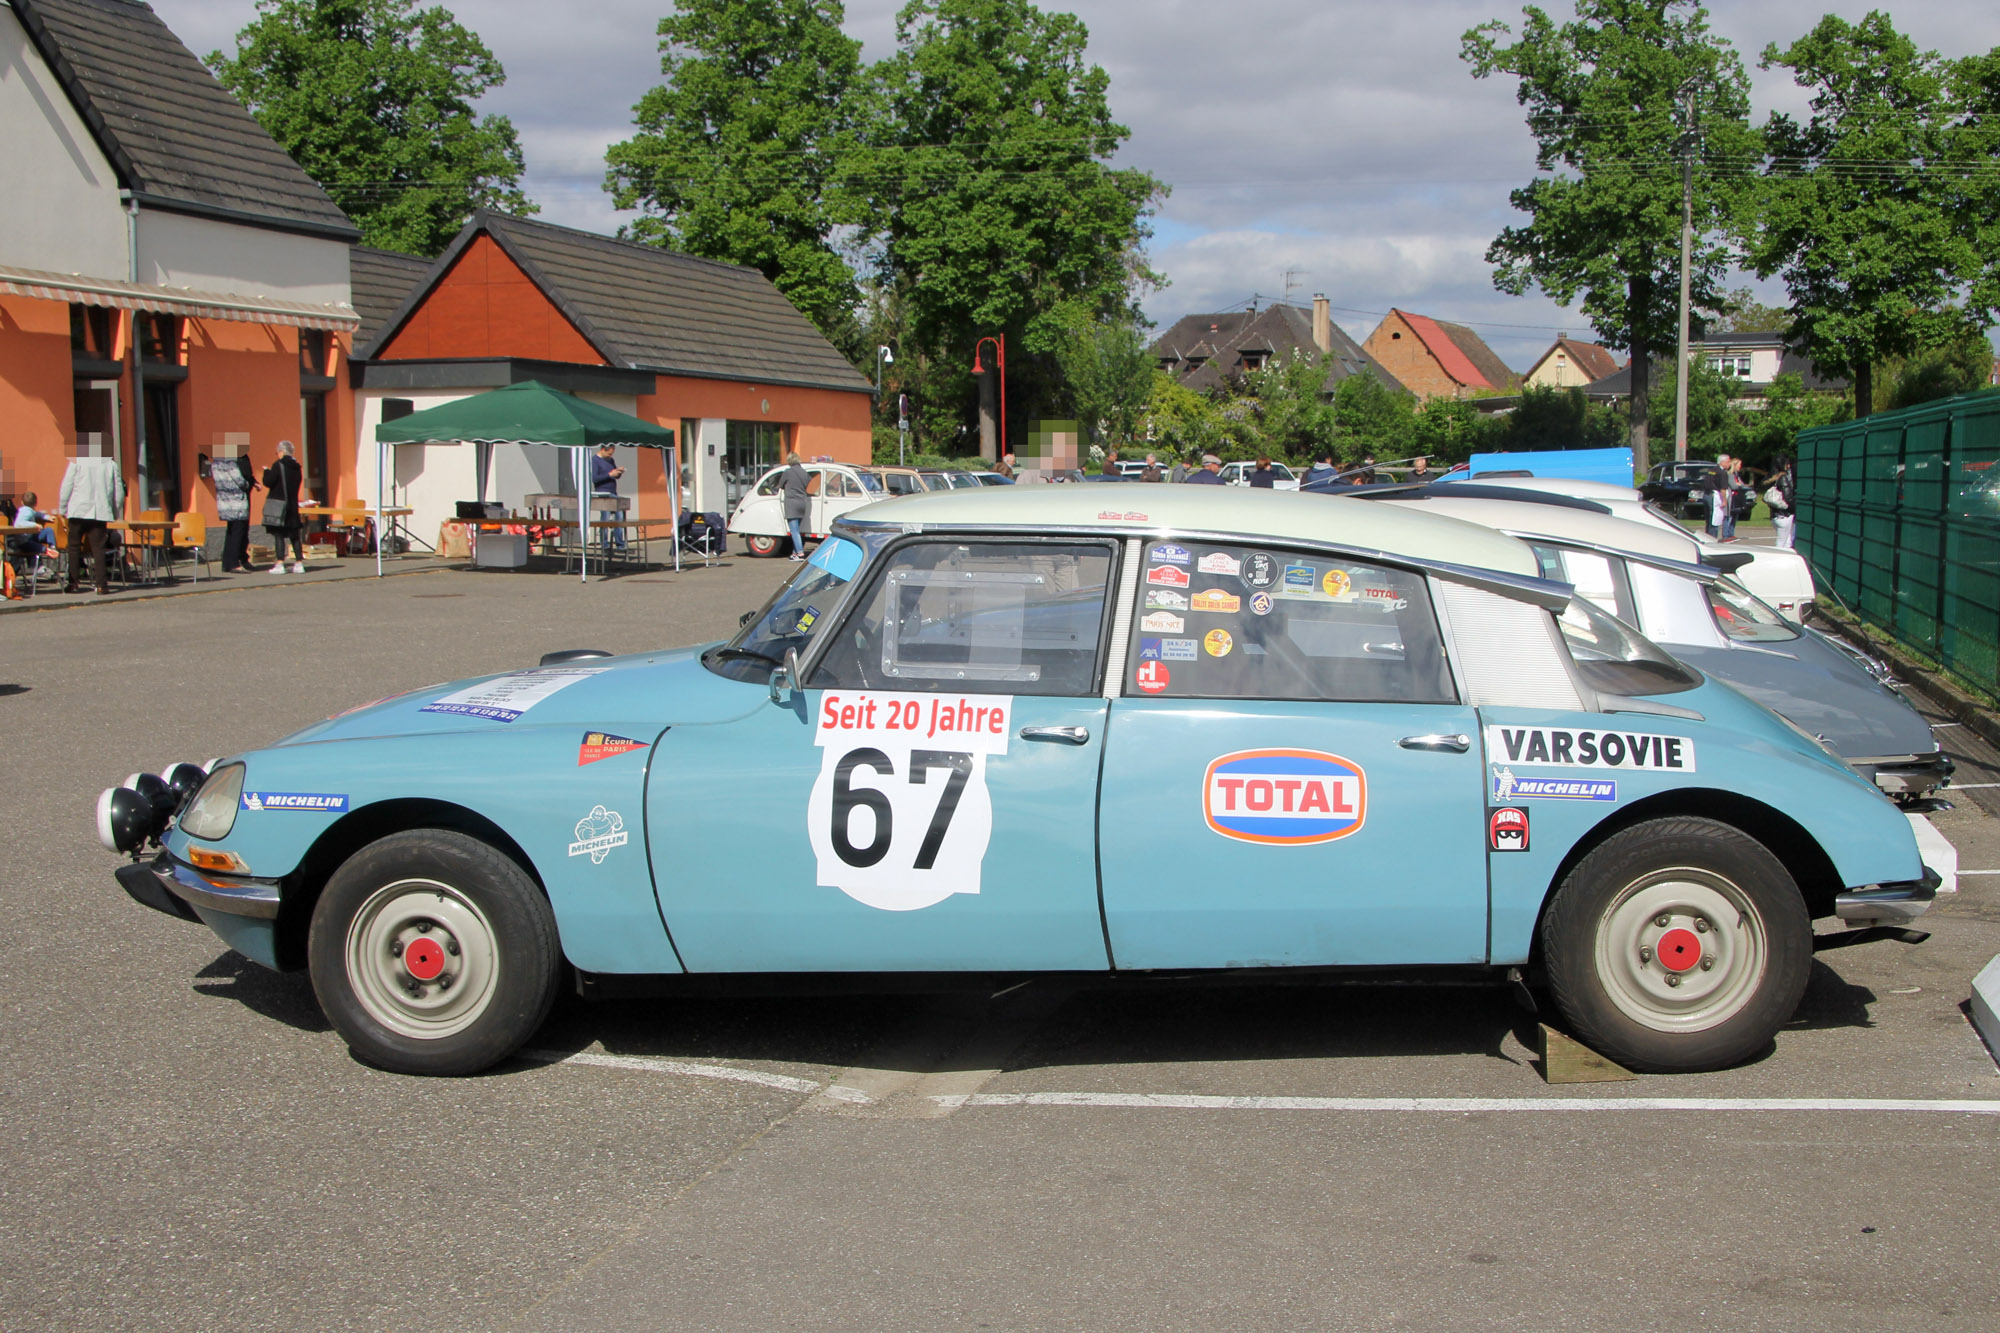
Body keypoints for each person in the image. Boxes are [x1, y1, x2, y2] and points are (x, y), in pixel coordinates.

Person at [58, 453, 125, 594]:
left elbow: (67, 485)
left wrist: (63, 508)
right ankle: (102, 585)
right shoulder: (110, 465)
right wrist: (114, 511)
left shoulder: (76, 462)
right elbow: (118, 491)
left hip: (78, 510)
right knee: (98, 549)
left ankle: (73, 583)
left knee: (74, 547)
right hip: (100, 512)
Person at [262, 440, 308, 573]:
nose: (277, 455)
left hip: (279, 506)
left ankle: (280, 563)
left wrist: (266, 472)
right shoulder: (297, 467)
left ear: (281, 452)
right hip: (292, 505)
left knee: (279, 535)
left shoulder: (278, 465)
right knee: (295, 535)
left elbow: (269, 482)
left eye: (277, 452)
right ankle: (299, 563)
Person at [212, 453, 257, 572]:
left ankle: (226, 563)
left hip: (225, 501)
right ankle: (233, 563)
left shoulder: (216, 462)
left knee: (231, 532)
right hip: (237, 501)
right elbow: (240, 481)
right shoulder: (230, 463)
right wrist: (249, 484)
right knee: (238, 531)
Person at [591, 443, 627, 557]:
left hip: (613, 492)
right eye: (608, 453)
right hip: (602, 493)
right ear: (602, 449)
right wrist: (609, 474)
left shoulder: (610, 460)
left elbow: (613, 474)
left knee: (619, 516)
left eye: (611, 453)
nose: (610, 455)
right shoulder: (595, 460)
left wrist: (618, 473)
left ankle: (619, 543)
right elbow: (595, 478)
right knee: (605, 518)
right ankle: (604, 544)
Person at [781, 451, 812, 560]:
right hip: (802, 503)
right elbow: (808, 481)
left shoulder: (788, 472)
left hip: (791, 503)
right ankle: (794, 553)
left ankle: (800, 553)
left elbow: (780, 485)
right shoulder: (804, 472)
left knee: (794, 531)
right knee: (797, 529)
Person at [1769, 456, 1798, 550]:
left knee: (1783, 541)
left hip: (1775, 514)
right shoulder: (1783, 478)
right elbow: (1788, 497)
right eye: (1787, 464)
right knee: (1784, 542)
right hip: (1784, 515)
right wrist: (1794, 508)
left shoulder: (1772, 477)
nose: (1789, 466)